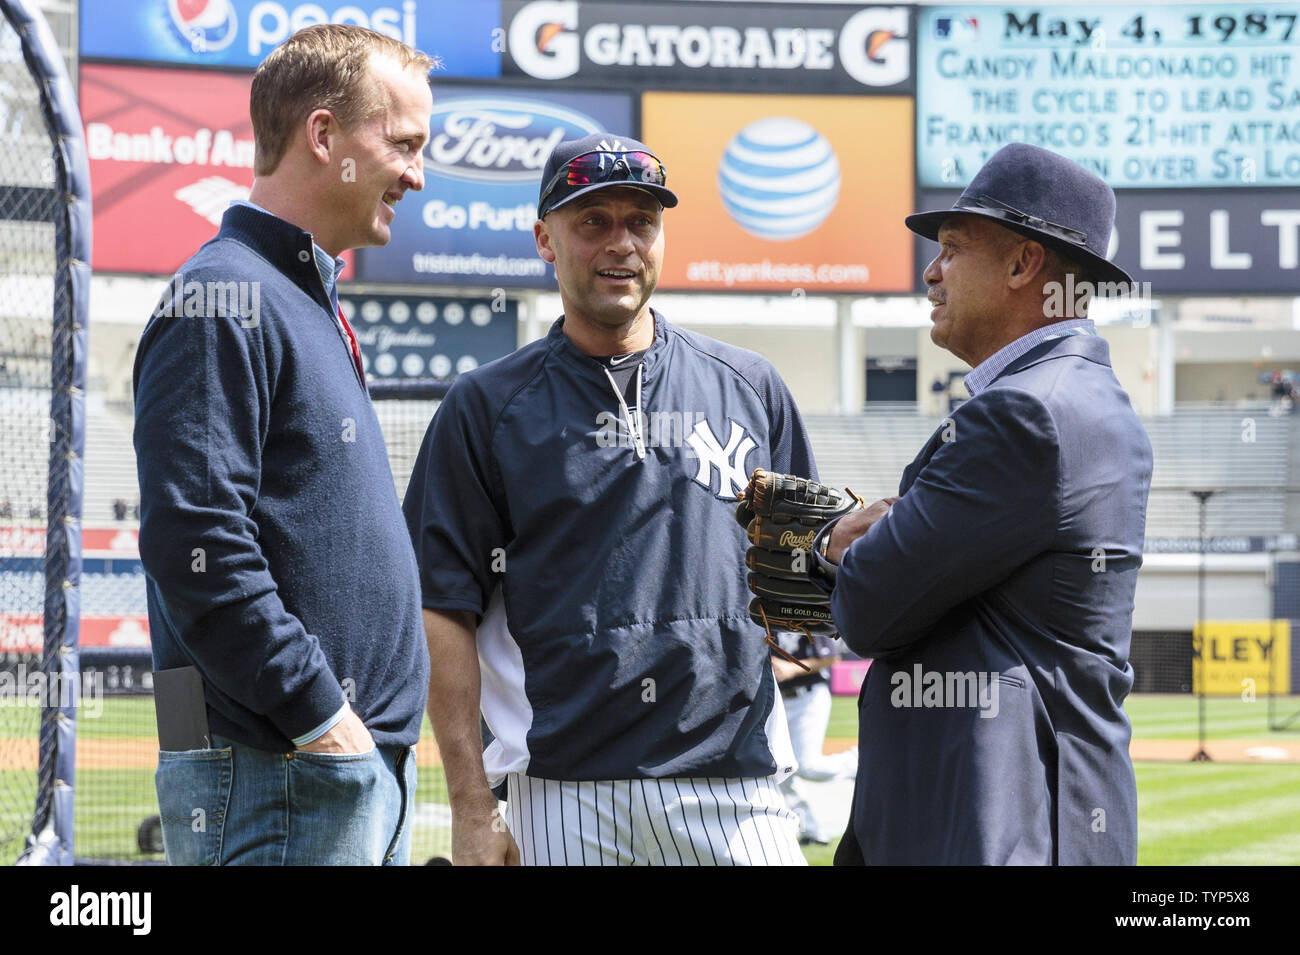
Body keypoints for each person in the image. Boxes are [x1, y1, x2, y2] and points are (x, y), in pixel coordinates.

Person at [403, 133, 816, 866]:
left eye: (641, 221)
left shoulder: (753, 388)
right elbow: (441, 607)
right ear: (545, 239)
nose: (621, 243)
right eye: (593, 221)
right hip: (563, 792)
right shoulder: (484, 405)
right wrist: (472, 805)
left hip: (735, 786)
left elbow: (803, 590)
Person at [132, 25, 435, 865]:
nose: (417, 173)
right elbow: (193, 540)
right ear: (325, 136)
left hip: (325, 771)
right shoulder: (224, 293)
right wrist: (320, 717)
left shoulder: (299, 298)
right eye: (404, 143)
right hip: (287, 772)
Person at [822, 143, 1152, 865]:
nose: (932, 272)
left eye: (951, 248)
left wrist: (834, 547)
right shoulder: (1075, 397)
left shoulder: (1025, 414)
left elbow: (869, 608)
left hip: (1003, 826)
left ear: (1021, 264)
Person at [770, 632, 856, 845]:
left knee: (808, 765)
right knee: (780, 769)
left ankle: (857, 762)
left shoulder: (803, 606)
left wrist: (791, 668)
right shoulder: (760, 611)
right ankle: (810, 830)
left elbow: (831, 656)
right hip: (777, 700)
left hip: (808, 696)